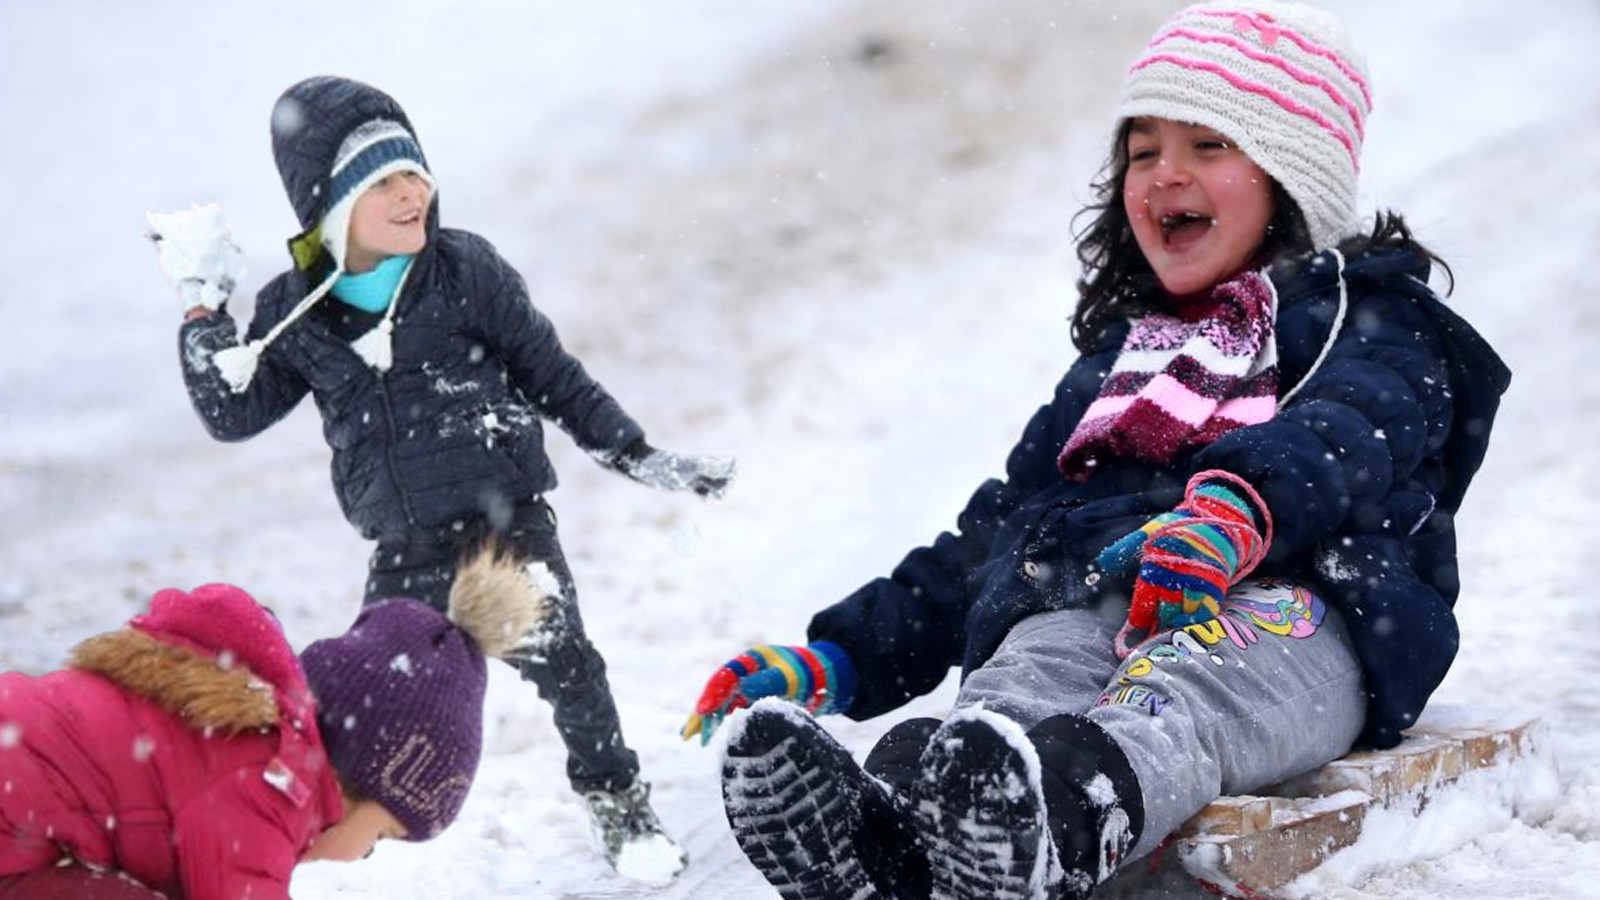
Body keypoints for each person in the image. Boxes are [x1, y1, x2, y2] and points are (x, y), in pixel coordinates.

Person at [683, 3, 1511, 899]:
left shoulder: (1372, 319)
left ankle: (1054, 826)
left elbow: (1349, 431)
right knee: (1013, 688)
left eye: (1207, 145)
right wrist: (842, 655)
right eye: (1143, 149)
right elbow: (1004, 528)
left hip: (1300, 608)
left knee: (1181, 692)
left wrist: (1237, 509)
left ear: (1290, 171)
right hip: (1099, 599)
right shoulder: (1127, 359)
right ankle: (891, 839)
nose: (1164, 174)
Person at [147, 75, 735, 879]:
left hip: (505, 529)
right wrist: (201, 311)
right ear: (330, 207)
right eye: (382, 181)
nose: (410, 193)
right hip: (405, 544)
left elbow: (551, 375)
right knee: (359, 709)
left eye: (415, 172)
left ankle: (619, 804)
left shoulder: (465, 271)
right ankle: (305, 821)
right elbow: (233, 412)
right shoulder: (298, 311)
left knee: (570, 669)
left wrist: (633, 451)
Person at [0, 546, 542, 900]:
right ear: (358, 777)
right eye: (382, 834)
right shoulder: (267, 788)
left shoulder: (252, 741)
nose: (365, 855)